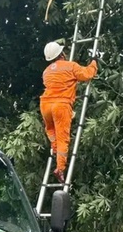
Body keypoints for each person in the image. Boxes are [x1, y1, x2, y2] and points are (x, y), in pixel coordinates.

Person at [39, 41, 97, 182]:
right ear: (61, 54)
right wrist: (94, 62)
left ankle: (54, 147)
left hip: (45, 105)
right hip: (61, 105)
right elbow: (87, 75)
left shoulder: (46, 72)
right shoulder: (70, 66)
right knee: (63, 137)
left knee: (51, 130)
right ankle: (60, 168)